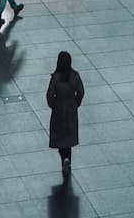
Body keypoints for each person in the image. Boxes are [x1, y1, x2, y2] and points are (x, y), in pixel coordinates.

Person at [46, 50, 85, 180]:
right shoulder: (74, 76)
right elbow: (80, 91)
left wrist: (53, 105)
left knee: (60, 136)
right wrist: (76, 103)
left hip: (59, 109)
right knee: (68, 136)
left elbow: (50, 95)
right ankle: (68, 160)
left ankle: (64, 159)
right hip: (70, 109)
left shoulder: (56, 77)